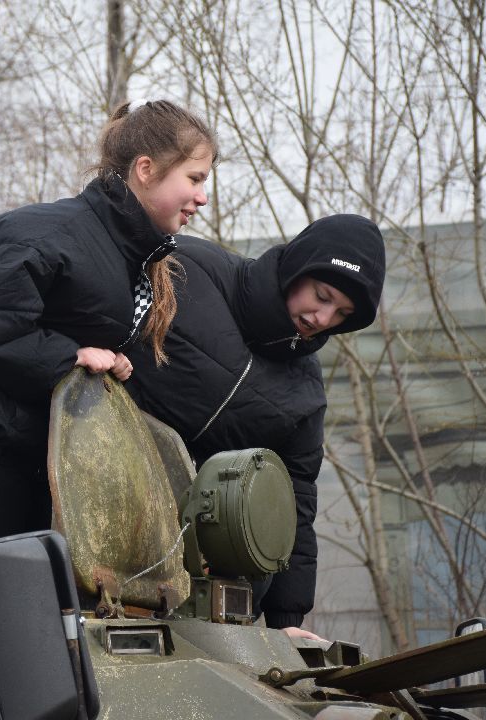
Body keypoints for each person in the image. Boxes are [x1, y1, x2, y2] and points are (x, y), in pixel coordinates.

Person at [0, 99, 219, 618]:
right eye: (195, 178)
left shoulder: (120, 251)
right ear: (145, 169)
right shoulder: (49, 234)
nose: (202, 197)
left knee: (24, 633)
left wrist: (107, 366)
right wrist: (70, 358)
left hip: (28, 459)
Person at [126, 214, 386, 639]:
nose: (322, 318)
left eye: (342, 313)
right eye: (322, 296)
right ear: (298, 267)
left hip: (209, 586)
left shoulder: (305, 391)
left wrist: (286, 623)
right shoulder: (186, 269)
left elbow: (294, 500)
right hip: (107, 526)